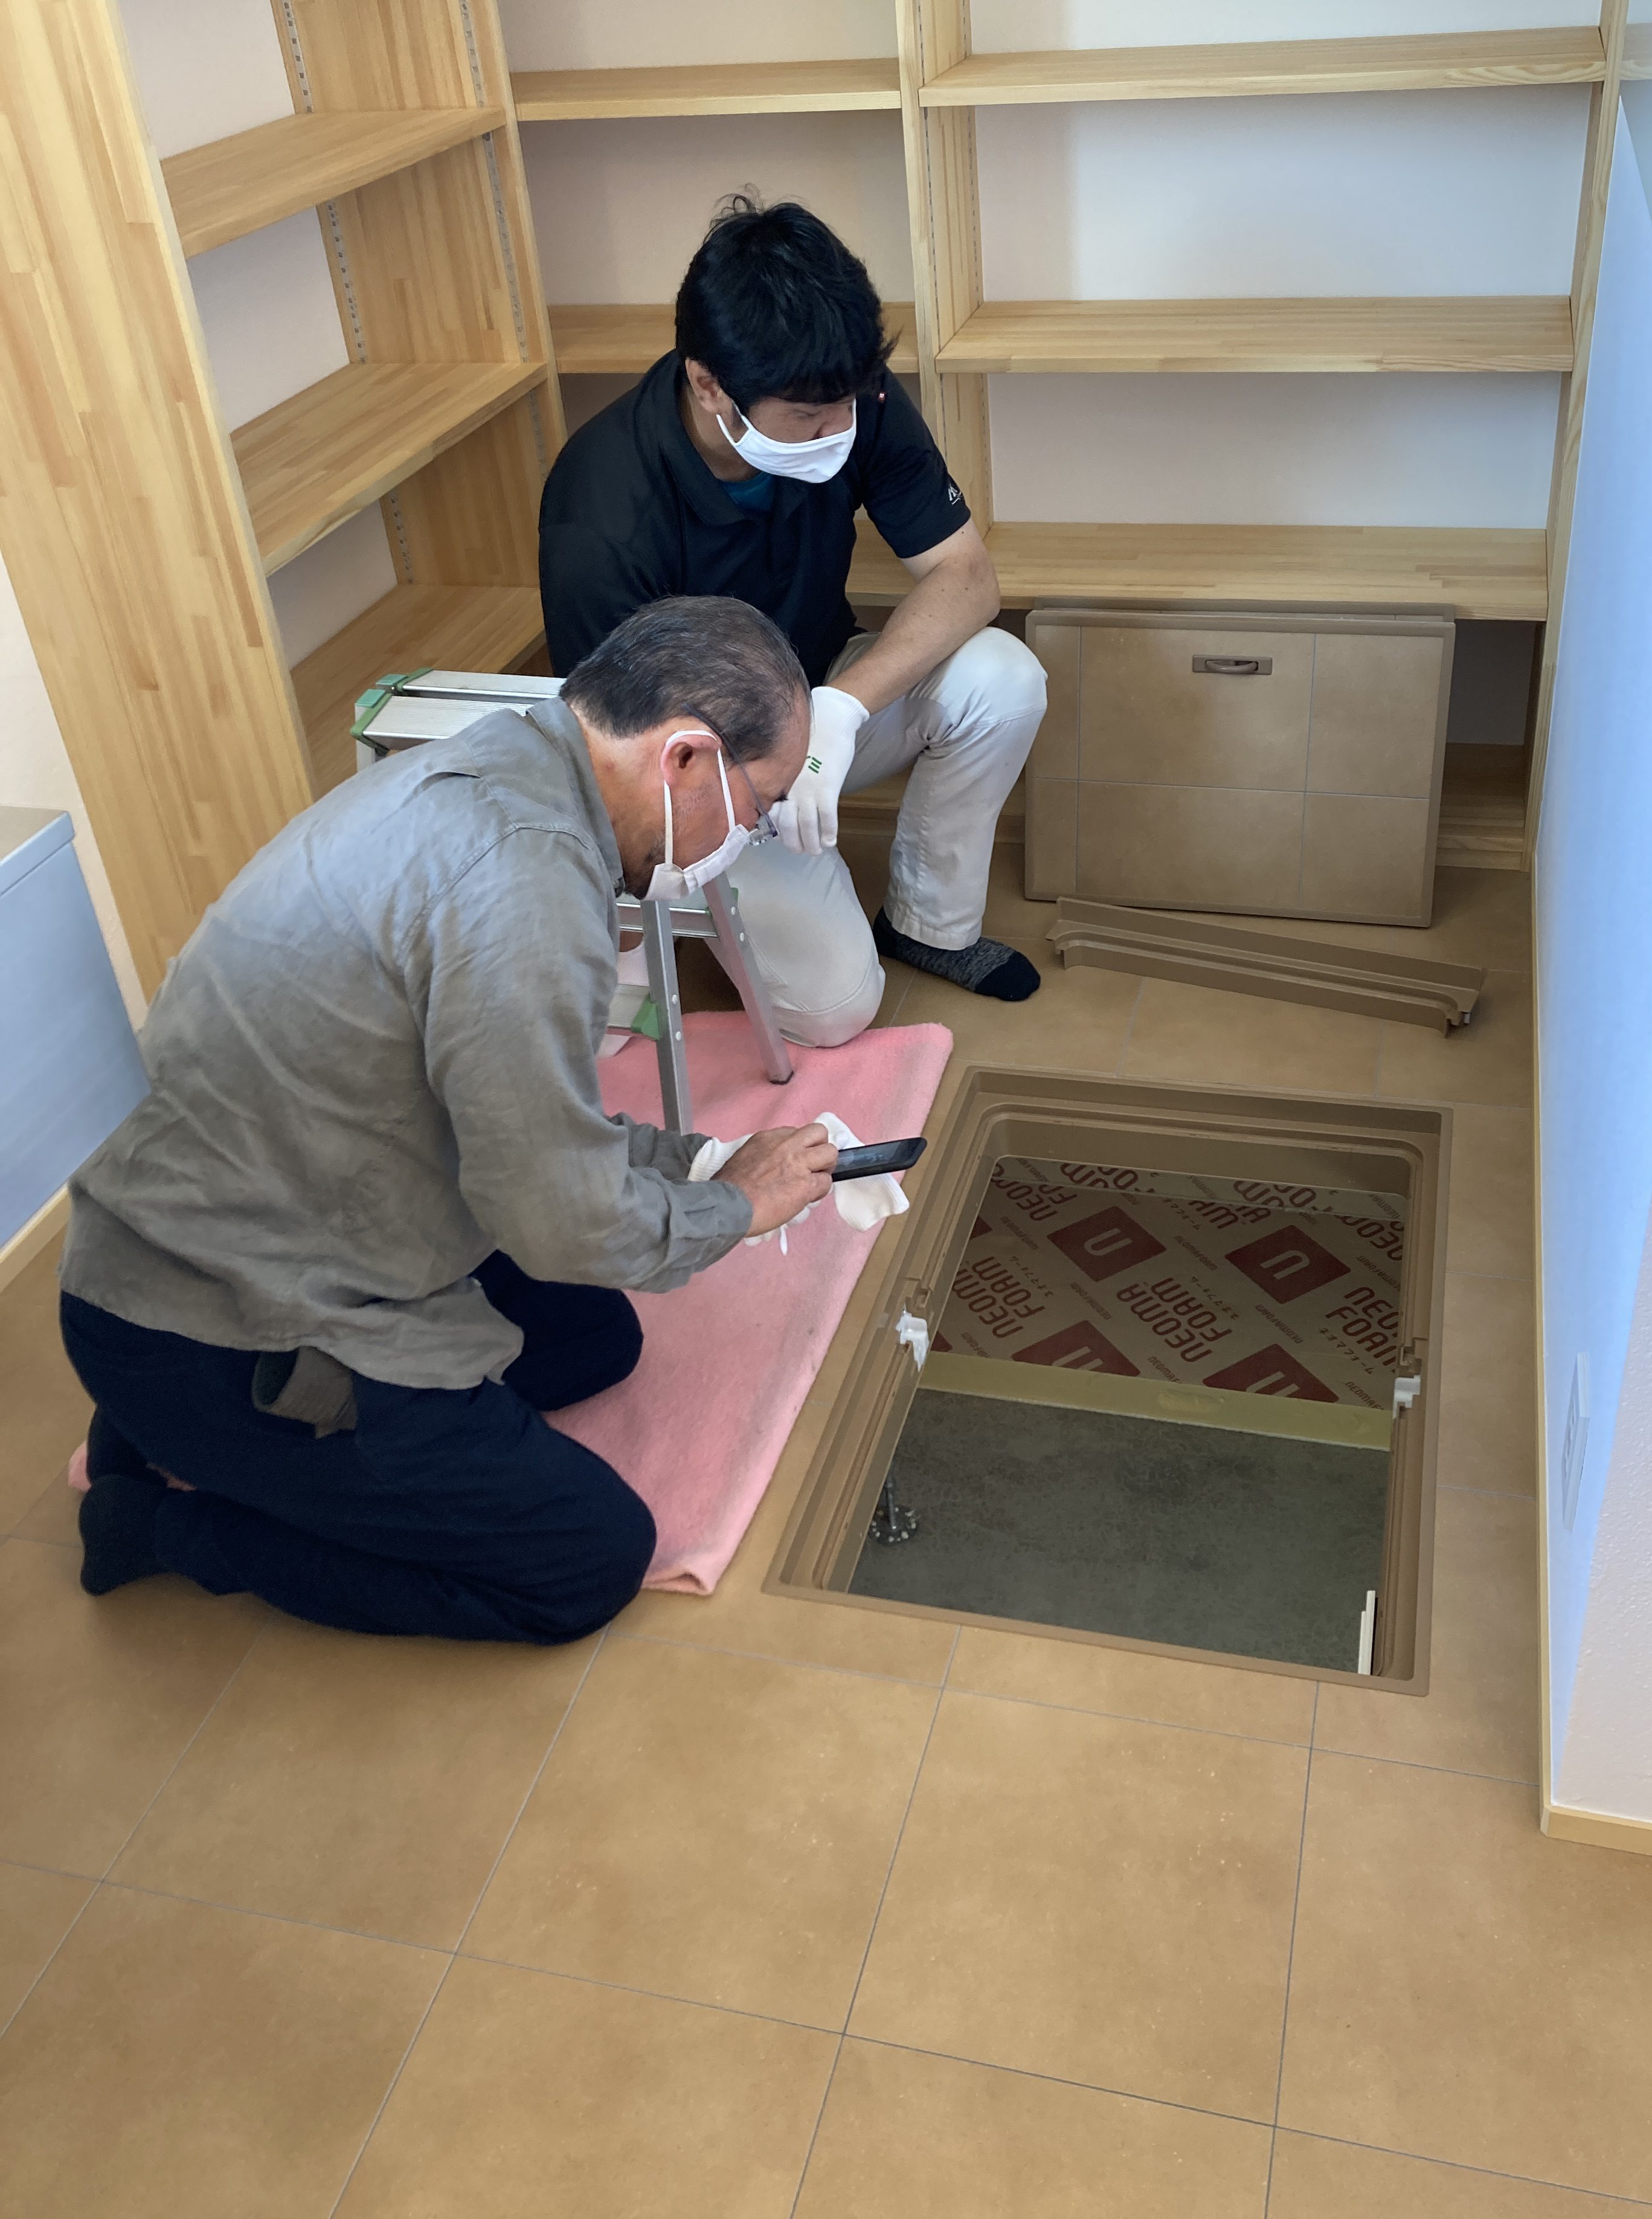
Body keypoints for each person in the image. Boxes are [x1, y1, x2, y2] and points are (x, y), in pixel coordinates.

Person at [58, 599, 837, 1645]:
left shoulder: (501, 761)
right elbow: (565, 1223)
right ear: (687, 757)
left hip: (237, 1214)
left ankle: (213, 1443)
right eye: (760, 807)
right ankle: (160, 1522)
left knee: (592, 1340)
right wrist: (734, 1208)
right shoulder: (524, 885)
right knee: (586, 1558)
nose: (748, 838)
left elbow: (531, 1123)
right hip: (215, 1321)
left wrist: (700, 1161)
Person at [538, 196, 1050, 1048]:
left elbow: (967, 577)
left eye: (849, 404)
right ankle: (728, 901)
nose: (839, 430)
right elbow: (619, 758)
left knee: (1002, 677)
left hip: (822, 693)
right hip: (708, 770)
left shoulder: (847, 391)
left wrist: (841, 711)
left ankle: (929, 925)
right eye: (809, 419)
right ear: (709, 385)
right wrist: (754, 788)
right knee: (835, 1010)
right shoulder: (602, 511)